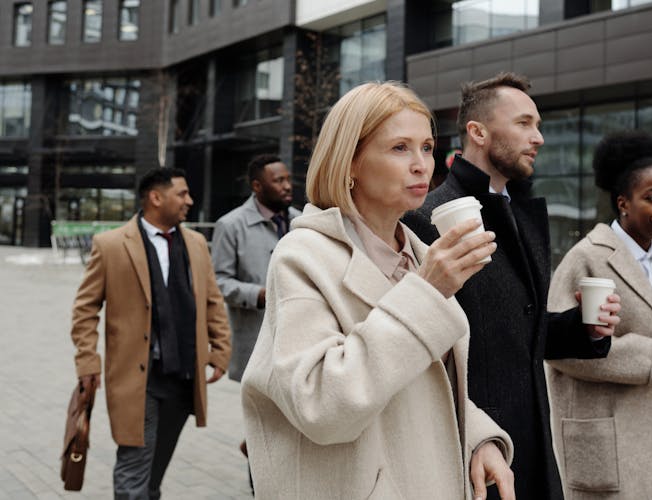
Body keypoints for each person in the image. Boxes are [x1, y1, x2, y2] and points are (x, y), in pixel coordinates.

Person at [241, 81, 517, 500]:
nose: (422, 164)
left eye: (426, 147)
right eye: (399, 148)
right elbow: (321, 405)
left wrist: (480, 438)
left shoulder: (421, 253)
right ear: (349, 162)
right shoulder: (303, 254)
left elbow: (423, 382)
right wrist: (426, 292)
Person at [403, 72, 621, 500]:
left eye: (537, 125)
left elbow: (517, 333)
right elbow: (428, 349)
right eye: (523, 123)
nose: (537, 137)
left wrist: (584, 329)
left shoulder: (520, 214)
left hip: (533, 439)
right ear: (478, 132)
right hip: (473, 450)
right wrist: (473, 436)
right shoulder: (428, 217)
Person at [546, 130, 652, 499]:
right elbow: (559, 349)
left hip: (651, 437)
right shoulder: (587, 256)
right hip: (606, 439)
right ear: (623, 203)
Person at [70, 167, 232, 499]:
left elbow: (212, 301)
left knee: (156, 467)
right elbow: (85, 309)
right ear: (156, 198)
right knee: (133, 464)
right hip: (136, 377)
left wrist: (220, 349)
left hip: (185, 374)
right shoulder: (111, 245)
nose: (190, 200)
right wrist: (88, 361)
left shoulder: (197, 243)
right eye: (182, 194)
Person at [211, 154, 301, 485]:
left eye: (288, 179)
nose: (287, 185)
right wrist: (259, 294)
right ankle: (261, 486)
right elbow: (218, 281)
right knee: (266, 427)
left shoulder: (301, 220)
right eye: (278, 181)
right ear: (257, 186)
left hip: (302, 339)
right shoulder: (230, 225)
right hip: (258, 344)